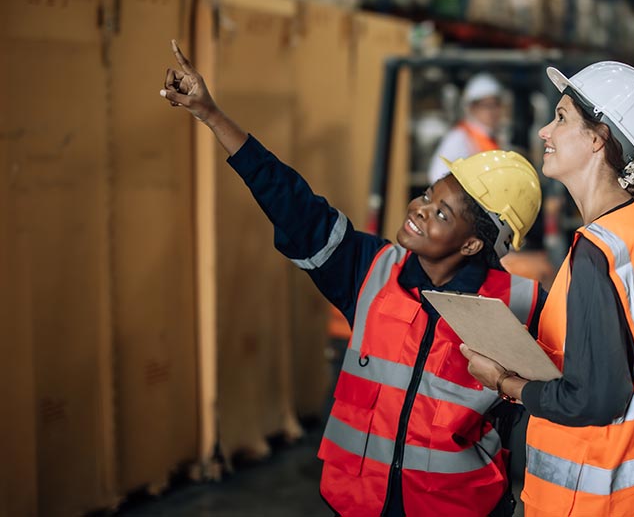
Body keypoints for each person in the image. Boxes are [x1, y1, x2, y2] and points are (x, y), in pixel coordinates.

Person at [160, 40, 546, 517]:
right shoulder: (371, 270)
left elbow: (561, 416)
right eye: (427, 196)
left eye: (441, 213)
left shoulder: (523, 307)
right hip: (357, 505)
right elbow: (291, 201)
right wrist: (211, 113)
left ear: (472, 244)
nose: (420, 211)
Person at [462, 61, 634, 516]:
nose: (545, 130)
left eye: (561, 118)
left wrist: (505, 381)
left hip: (587, 499)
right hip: (630, 495)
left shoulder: (595, 252)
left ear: (598, 138)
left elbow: (594, 398)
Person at [427, 73, 505, 183]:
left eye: (495, 105)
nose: (492, 111)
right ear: (472, 108)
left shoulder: (491, 137)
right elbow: (437, 175)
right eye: (486, 106)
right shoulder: (459, 137)